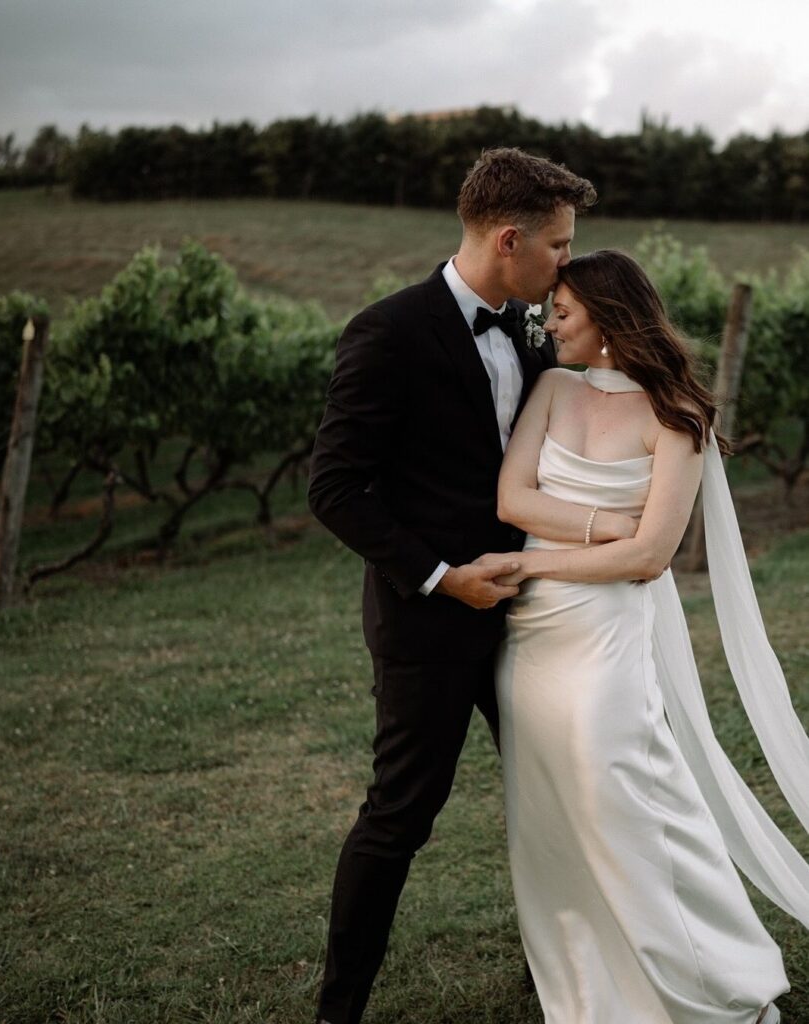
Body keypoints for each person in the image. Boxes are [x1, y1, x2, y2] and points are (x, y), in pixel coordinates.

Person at [480, 249, 809, 1023]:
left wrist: (538, 562)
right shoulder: (553, 390)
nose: (547, 322)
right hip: (533, 640)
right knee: (548, 814)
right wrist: (607, 529)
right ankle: (593, 981)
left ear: (605, 316)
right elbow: (510, 498)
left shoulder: (678, 418)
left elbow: (651, 558)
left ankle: (715, 973)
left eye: (560, 311)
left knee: (624, 794)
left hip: (601, 637)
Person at [307, 148, 597, 1024]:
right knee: (400, 815)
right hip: (427, 628)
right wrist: (440, 578)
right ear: (507, 239)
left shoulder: (527, 325)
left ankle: (566, 974)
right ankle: (338, 1008)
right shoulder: (388, 332)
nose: (565, 264)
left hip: (536, 619)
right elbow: (333, 487)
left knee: (557, 797)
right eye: (556, 246)